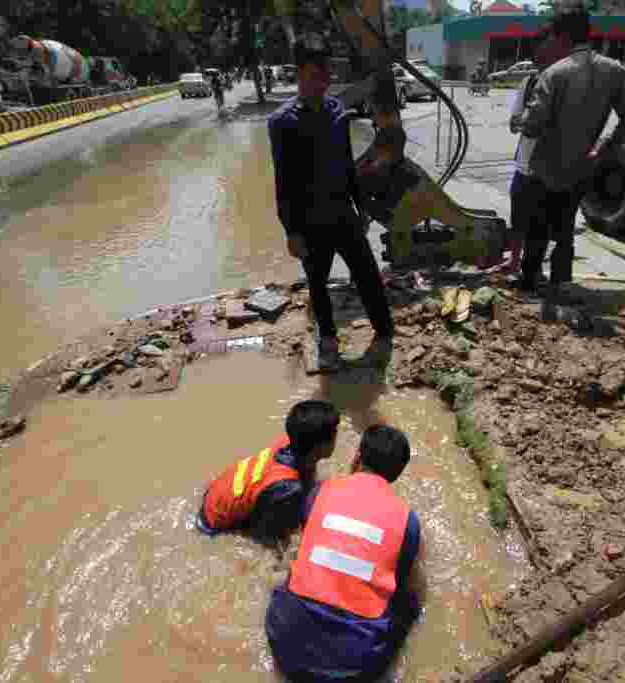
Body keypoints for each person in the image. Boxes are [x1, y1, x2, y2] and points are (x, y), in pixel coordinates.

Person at [267, 36, 395, 370]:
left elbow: (348, 163)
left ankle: (385, 333)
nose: (322, 81)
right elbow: (283, 182)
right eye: (314, 74)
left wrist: (362, 206)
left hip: (343, 213)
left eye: (326, 74)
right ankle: (328, 340)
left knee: (368, 274)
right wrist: (291, 231)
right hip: (309, 222)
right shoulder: (282, 122)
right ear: (298, 72)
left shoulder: (338, 112)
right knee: (318, 284)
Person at [266, 425, 426, 683]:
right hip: (353, 668)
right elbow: (400, 578)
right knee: (410, 603)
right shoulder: (408, 521)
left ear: (357, 457)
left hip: (283, 640)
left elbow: (308, 534)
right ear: (396, 475)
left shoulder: (321, 491)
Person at [511, 1, 625, 296]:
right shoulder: (615, 70)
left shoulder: (554, 74)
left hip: (545, 169)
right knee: (565, 228)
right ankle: (562, 282)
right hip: (582, 166)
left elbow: (532, 126)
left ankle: (530, 280)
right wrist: (604, 147)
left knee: (538, 228)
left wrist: (521, 120)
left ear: (561, 37)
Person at [197, 400, 341, 542]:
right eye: (334, 432)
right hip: (213, 522)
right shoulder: (287, 488)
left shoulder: (291, 443)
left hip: (217, 494)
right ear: (319, 447)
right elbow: (268, 535)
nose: (337, 436)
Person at [507, 25, 570, 274]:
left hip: (550, 169)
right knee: (518, 221)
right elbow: (514, 124)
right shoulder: (530, 82)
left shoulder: (566, 83)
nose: (542, 58)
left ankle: (533, 272)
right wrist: (528, 121)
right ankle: (514, 263)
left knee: (542, 226)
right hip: (524, 166)